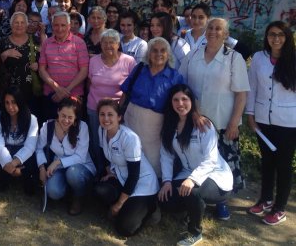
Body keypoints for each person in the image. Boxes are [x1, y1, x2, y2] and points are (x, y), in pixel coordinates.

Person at [179, 17, 249, 213]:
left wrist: (234, 123)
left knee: (223, 164)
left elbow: (241, 94)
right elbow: (182, 87)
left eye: (218, 29)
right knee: (197, 160)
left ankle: (221, 201)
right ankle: (194, 197)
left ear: (226, 34)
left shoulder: (234, 58)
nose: (213, 32)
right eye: (210, 27)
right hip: (195, 120)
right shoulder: (192, 55)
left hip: (222, 122)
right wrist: (191, 112)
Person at [159, 84, 233, 246]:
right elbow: (166, 156)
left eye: (184, 99)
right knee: (165, 199)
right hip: (187, 173)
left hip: (216, 176)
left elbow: (211, 159)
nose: (180, 103)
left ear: (192, 101)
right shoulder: (170, 126)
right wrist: (166, 181)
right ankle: (193, 210)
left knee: (192, 192)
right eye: (176, 100)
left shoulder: (203, 125)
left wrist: (192, 179)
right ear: (170, 103)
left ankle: (195, 232)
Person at [246, 21, 296, 226]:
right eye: (272, 35)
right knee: (266, 162)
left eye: (280, 35)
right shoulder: (259, 58)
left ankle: (279, 208)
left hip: (288, 123)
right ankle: (265, 199)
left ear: (287, 37)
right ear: (266, 37)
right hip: (263, 120)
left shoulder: (293, 60)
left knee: (283, 165)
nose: (276, 39)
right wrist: (250, 114)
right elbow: (252, 87)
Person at [93, 99, 160, 237]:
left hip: (142, 184)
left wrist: (118, 204)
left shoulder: (130, 138)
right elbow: (103, 153)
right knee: (99, 190)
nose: (106, 119)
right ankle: (128, 207)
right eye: (102, 114)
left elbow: (134, 175)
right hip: (120, 176)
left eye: (110, 114)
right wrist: (108, 171)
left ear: (119, 117)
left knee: (124, 229)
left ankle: (152, 209)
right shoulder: (101, 130)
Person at [120, 37, 184, 177]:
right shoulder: (139, 69)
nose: (158, 54)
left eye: (163, 51)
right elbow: (125, 92)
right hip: (132, 120)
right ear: (148, 53)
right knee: (130, 155)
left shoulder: (175, 77)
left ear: (168, 55)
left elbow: (183, 102)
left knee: (153, 160)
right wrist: (119, 114)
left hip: (156, 127)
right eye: (154, 50)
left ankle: (153, 192)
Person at [86, 29, 136, 174]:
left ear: (118, 44)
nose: (108, 46)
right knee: (97, 142)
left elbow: (131, 88)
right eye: (105, 42)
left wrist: (120, 108)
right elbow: (89, 83)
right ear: (100, 44)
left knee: (115, 143)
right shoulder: (93, 61)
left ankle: (116, 173)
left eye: (112, 42)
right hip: (94, 107)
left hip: (117, 110)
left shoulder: (129, 61)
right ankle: (99, 171)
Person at [37, 98, 95, 215]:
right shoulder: (48, 127)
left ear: (75, 118)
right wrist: (42, 168)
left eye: (70, 117)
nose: (66, 120)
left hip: (80, 167)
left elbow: (80, 156)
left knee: (72, 173)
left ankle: (78, 197)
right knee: (53, 191)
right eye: (63, 116)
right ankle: (68, 191)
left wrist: (58, 162)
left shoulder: (82, 127)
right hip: (59, 168)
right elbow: (38, 148)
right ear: (58, 112)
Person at [38, 11, 89, 119]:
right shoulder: (46, 43)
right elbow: (42, 69)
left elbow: (84, 70)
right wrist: (56, 88)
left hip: (74, 95)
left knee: (72, 131)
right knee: (51, 128)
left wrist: (66, 90)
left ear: (69, 26)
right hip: (51, 94)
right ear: (52, 26)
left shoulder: (79, 43)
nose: (59, 28)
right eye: (56, 25)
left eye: (63, 25)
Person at [0, 87, 38, 193]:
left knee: (32, 158)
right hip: (6, 151)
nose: (10, 107)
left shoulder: (32, 119)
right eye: (7, 103)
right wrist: (8, 164)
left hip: (21, 153)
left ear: (20, 102)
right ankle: (9, 173)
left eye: (13, 102)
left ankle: (22, 175)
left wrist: (13, 164)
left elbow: (30, 146)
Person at [0, 12, 42, 118]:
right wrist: (4, 55)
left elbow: (45, 60)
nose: (19, 25)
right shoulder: (2, 43)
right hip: (9, 91)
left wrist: (38, 64)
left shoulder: (36, 41)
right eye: (16, 22)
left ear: (27, 25)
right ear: (11, 24)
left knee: (30, 119)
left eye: (22, 22)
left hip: (31, 90)